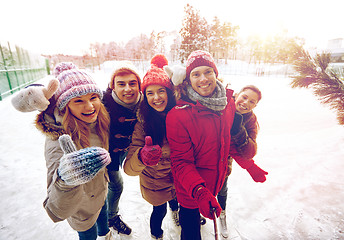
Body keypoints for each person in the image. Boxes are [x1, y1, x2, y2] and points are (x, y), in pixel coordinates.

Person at [165, 50, 268, 240]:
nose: (203, 79)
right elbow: (180, 162)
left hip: (215, 182)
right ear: (188, 79)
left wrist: (249, 166)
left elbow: (226, 143)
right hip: (190, 191)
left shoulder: (227, 105)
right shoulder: (178, 115)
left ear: (216, 73)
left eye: (208, 72)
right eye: (196, 74)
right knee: (191, 234)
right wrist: (199, 191)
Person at [13, 67, 115, 240]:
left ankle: (105, 234)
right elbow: (55, 210)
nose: (90, 106)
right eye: (78, 101)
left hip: (100, 192)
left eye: (93, 97)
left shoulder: (98, 120)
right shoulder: (58, 141)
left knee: (102, 219)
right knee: (88, 235)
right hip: (81, 208)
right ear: (64, 106)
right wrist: (66, 179)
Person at [123, 55, 179, 240]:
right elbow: (129, 168)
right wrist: (141, 156)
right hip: (156, 184)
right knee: (159, 211)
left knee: (176, 201)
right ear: (144, 96)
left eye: (161, 91)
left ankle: (176, 213)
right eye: (150, 93)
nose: (156, 98)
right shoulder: (143, 124)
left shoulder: (180, 116)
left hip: (179, 179)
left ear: (169, 92)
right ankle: (157, 235)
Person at [217, 85, 267, 238]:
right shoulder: (221, 104)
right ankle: (197, 211)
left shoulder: (251, 120)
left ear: (255, 105)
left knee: (221, 189)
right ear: (237, 94)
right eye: (244, 97)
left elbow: (250, 152)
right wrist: (250, 167)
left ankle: (222, 214)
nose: (246, 103)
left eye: (252, 102)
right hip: (206, 155)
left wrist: (239, 131)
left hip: (225, 161)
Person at [103, 61, 143, 235]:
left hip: (128, 149)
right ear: (113, 87)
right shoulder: (103, 102)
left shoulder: (146, 101)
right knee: (116, 185)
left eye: (132, 83)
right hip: (107, 152)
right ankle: (111, 217)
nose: (127, 89)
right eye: (121, 84)